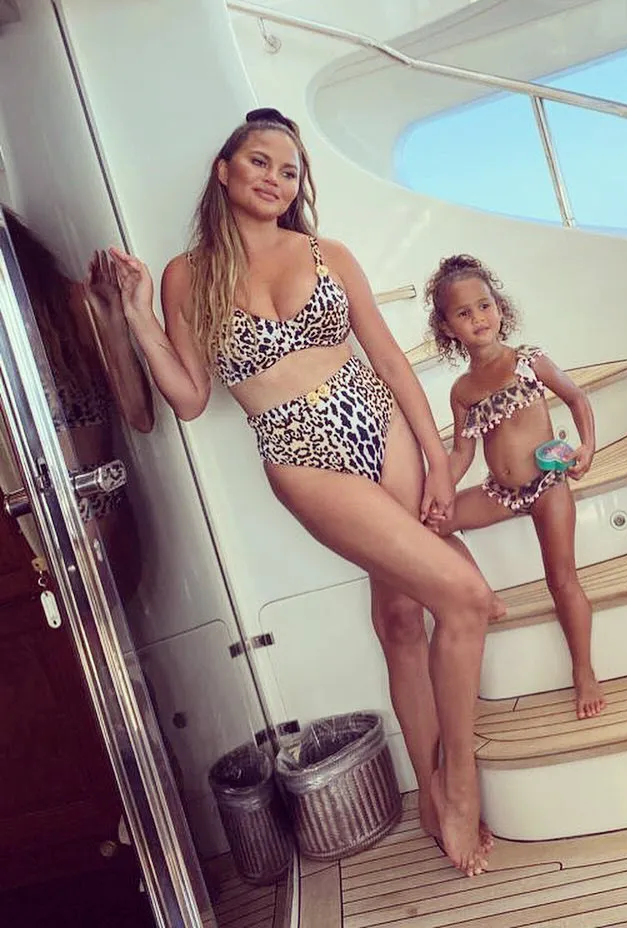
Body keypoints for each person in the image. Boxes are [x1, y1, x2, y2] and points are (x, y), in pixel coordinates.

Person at [109, 109, 495, 877]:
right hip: (297, 452)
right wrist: (136, 314)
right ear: (224, 170)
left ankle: (431, 790)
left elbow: (389, 362)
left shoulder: (327, 254)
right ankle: (459, 786)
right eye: (259, 161)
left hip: (378, 425)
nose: (275, 179)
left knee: (401, 616)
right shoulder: (188, 275)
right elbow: (189, 398)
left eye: (289, 171)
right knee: (467, 598)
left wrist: (438, 462)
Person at [424, 254, 606, 720]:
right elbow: (462, 454)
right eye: (463, 313)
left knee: (561, 580)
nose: (478, 318)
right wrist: (436, 489)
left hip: (548, 485)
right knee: (432, 527)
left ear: (499, 307)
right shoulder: (463, 390)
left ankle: (583, 670)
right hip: (500, 493)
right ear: (447, 327)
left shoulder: (528, 361)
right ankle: (482, 595)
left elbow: (576, 397)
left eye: (484, 306)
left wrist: (587, 446)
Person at [5, 210, 155, 600]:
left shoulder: (70, 304)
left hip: (103, 522)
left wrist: (114, 322)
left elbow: (140, 415)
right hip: (39, 530)